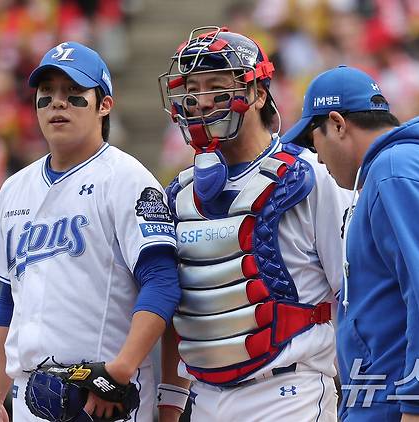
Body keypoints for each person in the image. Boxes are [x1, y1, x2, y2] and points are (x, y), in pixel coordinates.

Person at [281, 65, 419, 421]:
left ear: (337, 124)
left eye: (312, 140)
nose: (316, 157)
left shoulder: (395, 172)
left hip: (409, 409)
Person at [0, 41, 181, 422]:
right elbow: (10, 296)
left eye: (74, 94)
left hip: (102, 396)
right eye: (47, 94)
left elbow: (162, 281)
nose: (58, 103)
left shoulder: (128, 179)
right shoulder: (14, 189)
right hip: (30, 395)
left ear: (104, 104)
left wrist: (120, 369)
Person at [156, 27, 350, 422]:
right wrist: (171, 400)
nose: (202, 102)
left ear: (258, 92)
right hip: (205, 398)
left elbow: (352, 291)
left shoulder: (311, 176)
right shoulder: (178, 192)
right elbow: (183, 308)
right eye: (192, 89)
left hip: (288, 391)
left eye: (217, 86)